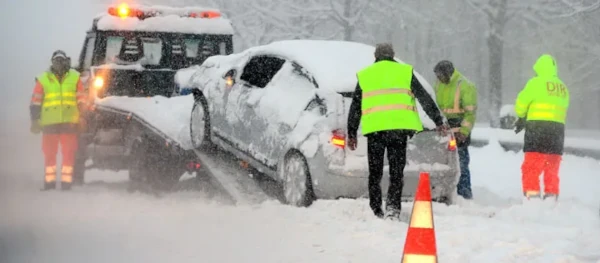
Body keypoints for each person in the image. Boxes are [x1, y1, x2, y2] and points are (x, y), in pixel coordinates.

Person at [347, 43, 447, 219]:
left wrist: (352, 132)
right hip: (398, 132)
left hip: (376, 131)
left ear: (376, 56)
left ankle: (376, 208)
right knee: (396, 172)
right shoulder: (405, 72)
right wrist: (438, 120)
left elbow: (356, 106)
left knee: (375, 172)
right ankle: (393, 208)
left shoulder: (367, 75)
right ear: (392, 55)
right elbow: (424, 97)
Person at [513, 54, 569, 201]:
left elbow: (521, 105)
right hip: (557, 133)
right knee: (552, 168)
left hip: (537, 131)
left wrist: (522, 115)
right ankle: (551, 199)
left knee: (531, 167)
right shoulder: (562, 87)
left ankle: (533, 199)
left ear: (539, 68)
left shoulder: (535, 83)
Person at [30, 50, 87, 191]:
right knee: (50, 155)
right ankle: (49, 183)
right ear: (52, 62)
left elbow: (82, 100)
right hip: (50, 124)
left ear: (66, 61)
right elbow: (35, 102)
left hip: (69, 123)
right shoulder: (43, 79)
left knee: (68, 154)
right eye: (56, 60)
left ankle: (66, 183)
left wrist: (83, 117)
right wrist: (35, 120)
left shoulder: (75, 77)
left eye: (61, 60)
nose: (59, 63)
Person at [432, 60, 478, 200]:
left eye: (440, 75)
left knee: (461, 164)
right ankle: (444, 193)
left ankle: (464, 194)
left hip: (459, 132)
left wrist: (463, 132)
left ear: (448, 74)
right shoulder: (439, 85)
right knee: (442, 164)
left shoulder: (464, 85)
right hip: (443, 131)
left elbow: (470, 113)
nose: (438, 78)